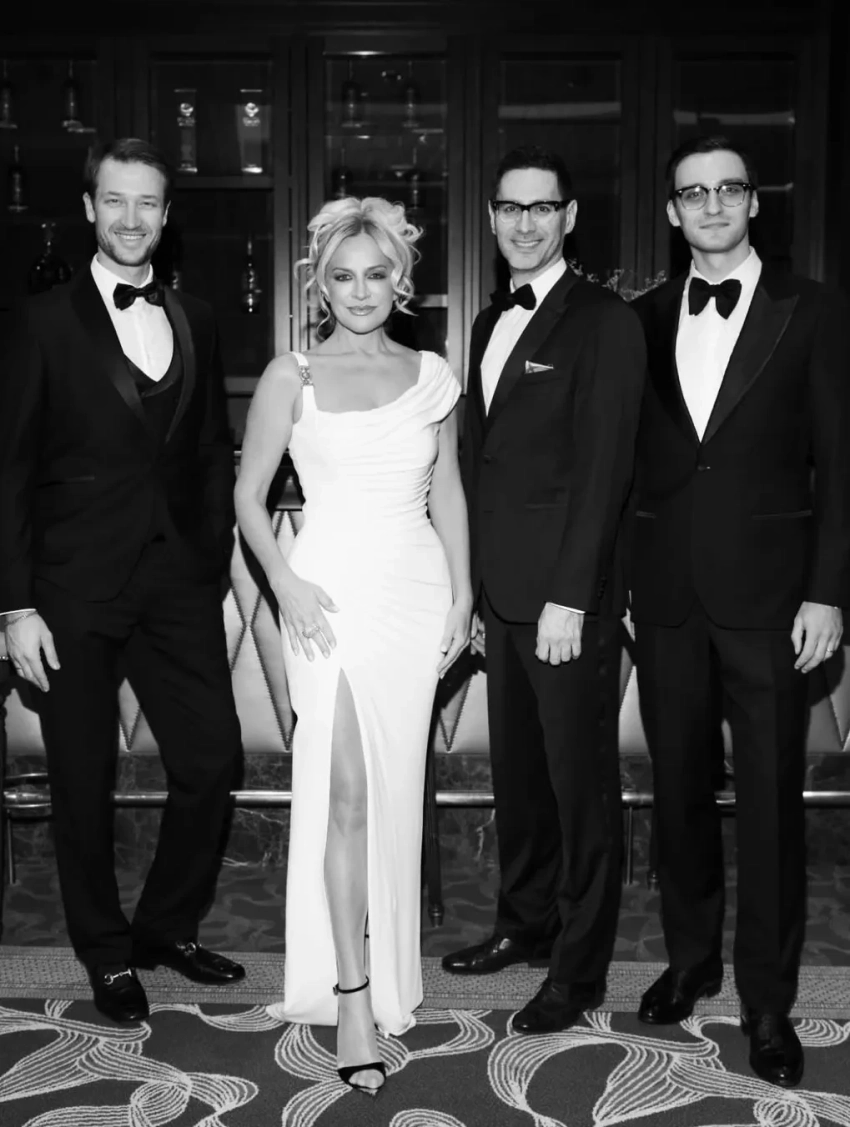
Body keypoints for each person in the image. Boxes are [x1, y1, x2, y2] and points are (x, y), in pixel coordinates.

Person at [0, 138, 245, 1025]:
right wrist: (14, 603)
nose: (131, 218)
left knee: (212, 760)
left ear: (166, 215)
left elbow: (210, 446)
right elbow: (9, 468)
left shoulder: (197, 317)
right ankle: (105, 952)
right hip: (70, 590)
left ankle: (164, 926)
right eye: (116, 200)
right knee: (83, 778)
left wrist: (210, 555)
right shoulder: (40, 321)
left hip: (177, 582)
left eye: (147, 203)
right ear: (89, 207)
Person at [234, 196, 470, 1096]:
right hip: (324, 597)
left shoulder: (431, 374)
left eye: (376, 274)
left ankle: (386, 968)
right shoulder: (289, 374)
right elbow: (249, 495)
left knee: (391, 790)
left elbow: (447, 490)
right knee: (345, 796)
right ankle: (353, 994)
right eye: (343, 275)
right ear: (320, 285)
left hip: (414, 595)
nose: (361, 290)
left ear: (399, 280)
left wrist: (464, 594)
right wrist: (284, 583)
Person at [629, 135, 850, 1089]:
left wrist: (828, 590)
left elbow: (840, 462)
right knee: (677, 794)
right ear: (672, 212)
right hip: (667, 597)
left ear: (754, 202)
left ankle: (767, 1000)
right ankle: (690, 962)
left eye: (729, 189)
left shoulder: (815, 309)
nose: (712, 204)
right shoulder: (641, 319)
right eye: (694, 193)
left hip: (773, 601)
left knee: (768, 806)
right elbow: (630, 464)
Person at [442, 146, 646, 1034]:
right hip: (503, 597)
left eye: (541, 208)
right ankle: (523, 926)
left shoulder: (604, 320)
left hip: (566, 604)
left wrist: (571, 595)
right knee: (520, 784)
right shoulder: (490, 321)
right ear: (492, 218)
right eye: (510, 208)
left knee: (580, 792)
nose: (524, 223)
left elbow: (605, 468)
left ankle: (579, 968)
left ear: (568, 217)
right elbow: (482, 464)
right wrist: (476, 595)